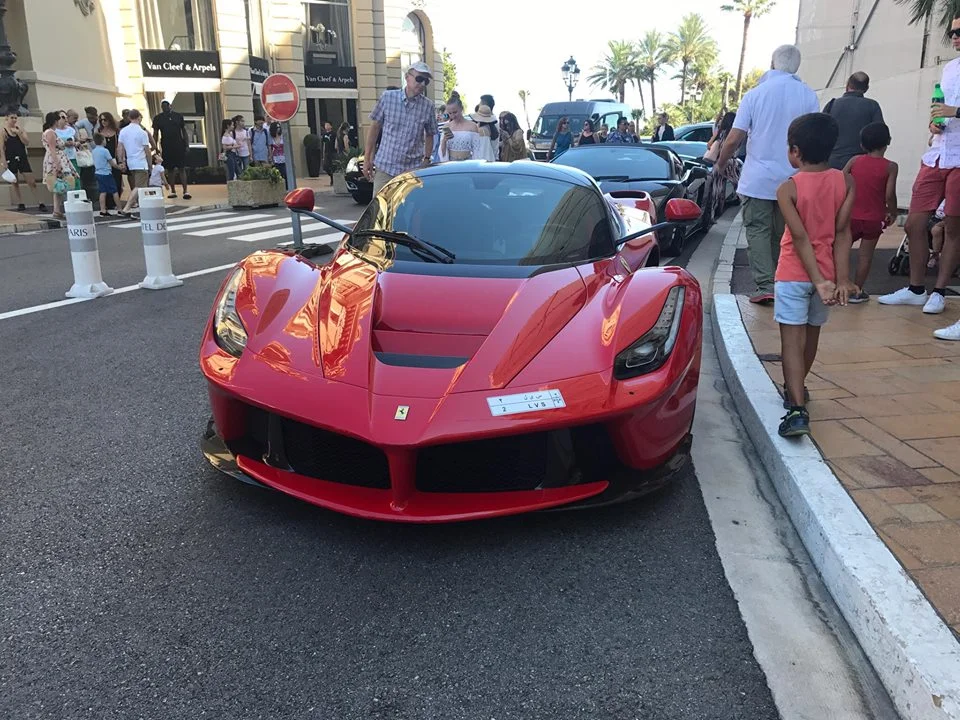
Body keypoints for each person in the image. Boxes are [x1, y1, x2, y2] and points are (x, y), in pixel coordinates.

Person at [717, 44, 820, 304]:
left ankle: (765, 285)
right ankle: (780, 281)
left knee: (758, 231)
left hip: (758, 180)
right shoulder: (809, 95)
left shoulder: (755, 95)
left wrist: (720, 164)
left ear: (772, 63)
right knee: (783, 234)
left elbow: (734, 138)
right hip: (794, 180)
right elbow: (813, 138)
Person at [878, 12, 960, 335]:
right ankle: (915, 288)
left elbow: (952, 109)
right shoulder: (950, 69)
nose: (955, 37)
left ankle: (939, 291)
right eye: (953, 33)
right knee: (914, 223)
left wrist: (956, 112)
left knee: (952, 226)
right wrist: (934, 123)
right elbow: (939, 107)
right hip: (938, 152)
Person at [775, 113, 855, 437]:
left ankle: (796, 410)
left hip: (793, 274)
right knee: (811, 338)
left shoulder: (788, 189)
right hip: (827, 276)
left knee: (791, 343)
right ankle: (798, 388)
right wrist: (839, 279)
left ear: (795, 151)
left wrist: (817, 280)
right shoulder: (846, 182)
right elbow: (843, 232)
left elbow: (800, 237)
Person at [841, 122, 898, 302]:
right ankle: (857, 291)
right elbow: (889, 194)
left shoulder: (855, 161)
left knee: (841, 249)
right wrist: (892, 211)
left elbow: (840, 180)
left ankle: (840, 284)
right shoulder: (891, 166)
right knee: (865, 256)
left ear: (862, 144)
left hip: (851, 215)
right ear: (888, 141)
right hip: (874, 218)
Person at [363, 61, 436, 194]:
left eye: (426, 81)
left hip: (412, 171)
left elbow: (430, 134)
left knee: (410, 207)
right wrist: (367, 159)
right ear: (407, 77)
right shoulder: (388, 97)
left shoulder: (428, 106)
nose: (422, 84)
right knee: (381, 206)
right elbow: (374, 127)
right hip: (385, 168)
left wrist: (426, 159)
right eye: (419, 79)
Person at [823, 72, 884, 171]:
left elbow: (820, 134)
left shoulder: (831, 105)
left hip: (833, 163)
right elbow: (880, 136)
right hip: (861, 165)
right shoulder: (872, 106)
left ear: (847, 85)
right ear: (866, 88)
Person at [1, 112, 44, 211]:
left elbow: (26, 142)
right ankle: (20, 202)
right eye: (12, 118)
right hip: (10, 157)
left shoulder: (20, 129)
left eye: (15, 118)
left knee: (31, 181)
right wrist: (3, 160)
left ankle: (40, 202)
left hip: (21, 156)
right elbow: (1, 147)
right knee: (14, 181)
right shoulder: (3, 131)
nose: (14, 120)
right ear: (7, 118)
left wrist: (19, 133)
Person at [41, 110, 79, 220]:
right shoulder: (50, 132)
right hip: (57, 159)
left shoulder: (50, 132)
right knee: (65, 182)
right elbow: (52, 149)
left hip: (57, 158)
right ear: (55, 121)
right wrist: (57, 164)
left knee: (58, 185)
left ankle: (57, 210)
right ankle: (64, 208)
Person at [152, 99, 191, 199]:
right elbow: (155, 133)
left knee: (181, 168)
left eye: (166, 105)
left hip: (179, 145)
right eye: (163, 106)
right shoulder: (158, 118)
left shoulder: (178, 116)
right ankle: (173, 191)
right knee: (170, 169)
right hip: (166, 146)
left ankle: (185, 191)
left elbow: (184, 131)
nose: (165, 107)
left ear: (170, 106)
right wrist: (155, 147)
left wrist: (187, 145)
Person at [116, 110, 152, 207]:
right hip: (141, 162)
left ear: (129, 118)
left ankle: (143, 204)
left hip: (130, 162)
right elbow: (147, 150)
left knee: (140, 186)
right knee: (139, 186)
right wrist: (150, 164)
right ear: (139, 117)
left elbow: (120, 148)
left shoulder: (123, 131)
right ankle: (127, 207)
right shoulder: (142, 132)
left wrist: (121, 161)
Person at [439, 92, 484, 161]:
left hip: (467, 163)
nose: (453, 116)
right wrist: (444, 141)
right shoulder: (447, 126)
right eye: (450, 113)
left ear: (461, 109)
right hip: (451, 164)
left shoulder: (472, 126)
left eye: (455, 112)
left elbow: (477, 151)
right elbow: (442, 152)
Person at [92, 133, 121, 218]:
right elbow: (112, 162)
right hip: (106, 173)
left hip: (98, 172)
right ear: (102, 140)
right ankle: (120, 209)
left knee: (102, 191)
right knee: (114, 191)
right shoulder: (105, 151)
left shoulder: (94, 151)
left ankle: (103, 210)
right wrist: (119, 167)